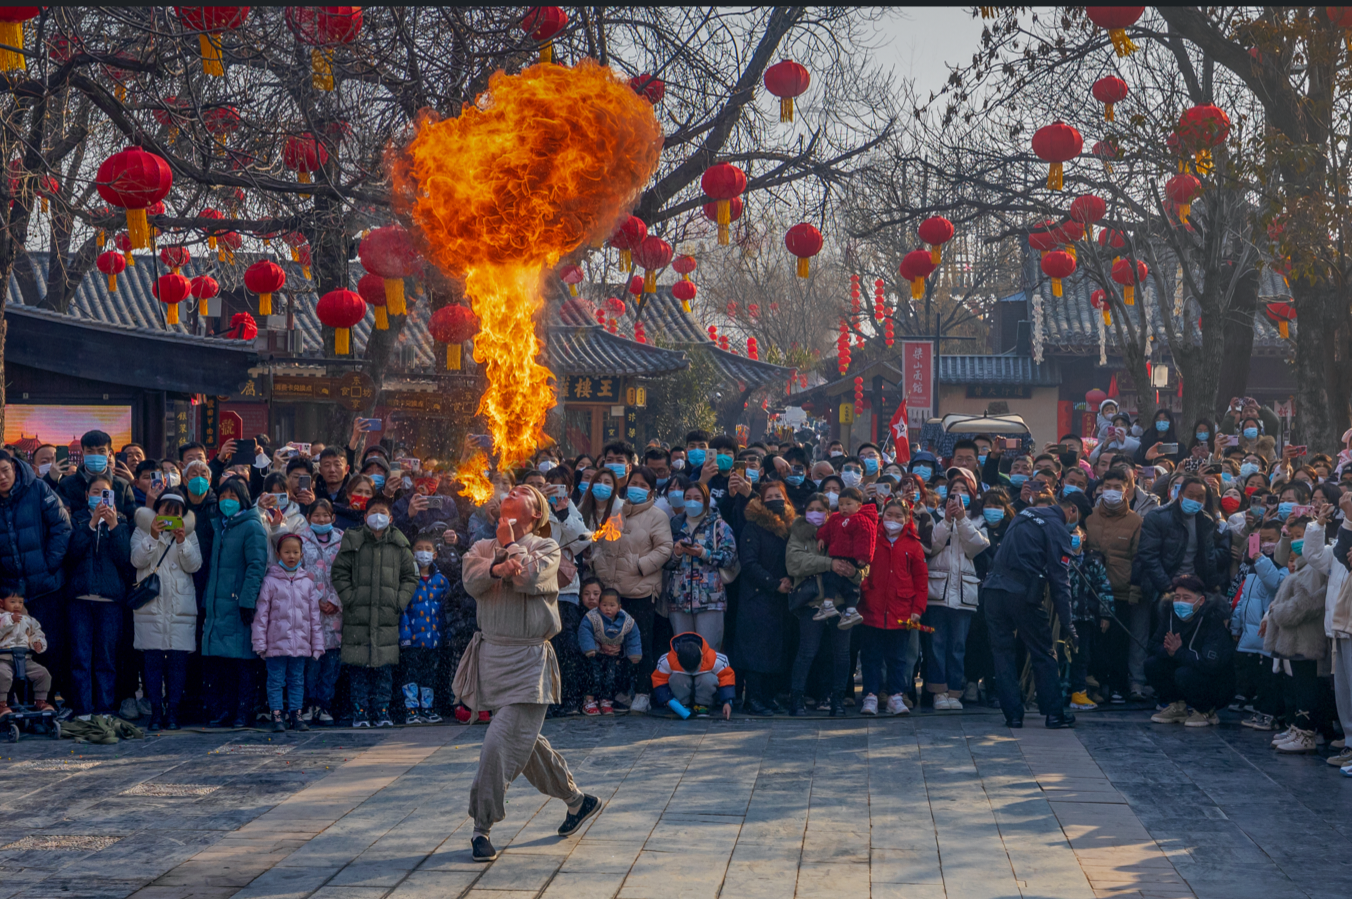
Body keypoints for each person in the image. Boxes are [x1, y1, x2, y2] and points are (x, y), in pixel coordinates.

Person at [456, 484, 600, 863]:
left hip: (529, 662)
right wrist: (495, 565)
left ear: (536, 513)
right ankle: (576, 800)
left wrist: (514, 548)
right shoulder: (482, 546)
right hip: (492, 657)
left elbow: (529, 579)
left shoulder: (548, 547)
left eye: (524, 492)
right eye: (511, 488)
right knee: (526, 744)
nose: (512, 490)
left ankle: (480, 828)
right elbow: (471, 580)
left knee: (497, 745)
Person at [982, 494, 1081, 729]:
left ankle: (1013, 716)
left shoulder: (1024, 515)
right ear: (1073, 510)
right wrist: (1068, 624)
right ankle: (1054, 714)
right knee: (1043, 651)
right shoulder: (1057, 527)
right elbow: (1060, 581)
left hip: (993, 590)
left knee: (1002, 654)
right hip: (1022, 593)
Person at [587, 466, 672, 715]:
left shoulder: (657, 516)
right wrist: (601, 569)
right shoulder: (617, 514)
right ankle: (622, 691)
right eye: (634, 482)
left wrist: (640, 565)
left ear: (651, 491)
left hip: (641, 591)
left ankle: (643, 692)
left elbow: (665, 548)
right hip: (615, 592)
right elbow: (601, 545)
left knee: (640, 643)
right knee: (614, 644)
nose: (637, 488)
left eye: (643, 485)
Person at [332, 495, 418, 728]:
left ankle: (382, 712)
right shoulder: (353, 538)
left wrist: (398, 601)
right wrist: (350, 598)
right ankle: (360, 713)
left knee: (383, 670)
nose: (377, 516)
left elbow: (411, 576)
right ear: (365, 516)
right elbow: (339, 572)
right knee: (358, 669)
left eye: (382, 512)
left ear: (390, 518)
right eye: (373, 512)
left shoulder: (399, 543)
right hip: (357, 616)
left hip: (386, 618)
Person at [0, 451, 71, 703]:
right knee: (12, 650)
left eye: (5, 470)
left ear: (14, 468)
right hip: (10, 592)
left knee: (47, 647)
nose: (1, 477)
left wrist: (48, 565)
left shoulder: (38, 489)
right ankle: (18, 706)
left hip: (46, 588)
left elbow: (62, 527)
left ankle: (46, 704)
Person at [201, 477, 269, 728]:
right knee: (224, 662)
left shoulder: (251, 526)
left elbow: (256, 565)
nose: (226, 501)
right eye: (222, 496)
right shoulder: (221, 525)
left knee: (243, 663)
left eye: (232, 496)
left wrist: (247, 600)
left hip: (239, 605)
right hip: (219, 604)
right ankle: (226, 710)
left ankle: (244, 711)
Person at [130, 493, 201, 731]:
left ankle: (173, 712)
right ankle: (156, 713)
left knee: (178, 663)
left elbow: (195, 565)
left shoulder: (189, 533)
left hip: (180, 607)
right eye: (165, 512)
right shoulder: (142, 529)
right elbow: (137, 561)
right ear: (157, 511)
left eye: (175, 513)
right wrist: (152, 536)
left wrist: (182, 542)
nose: (169, 517)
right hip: (151, 608)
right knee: (152, 663)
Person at [65, 474, 134, 720]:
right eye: (95, 491)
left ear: (112, 496)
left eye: (104, 492)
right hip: (80, 599)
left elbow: (126, 559)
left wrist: (113, 526)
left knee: (106, 657)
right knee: (80, 657)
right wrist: (91, 524)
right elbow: (71, 554)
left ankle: (105, 708)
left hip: (110, 601)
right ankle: (83, 709)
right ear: (86, 495)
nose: (99, 496)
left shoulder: (122, 522)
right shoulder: (77, 520)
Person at [785, 493, 858, 716]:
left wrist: (855, 572)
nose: (815, 513)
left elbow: (861, 563)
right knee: (807, 652)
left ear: (828, 513)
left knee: (842, 654)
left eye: (820, 509)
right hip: (812, 603)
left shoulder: (843, 528)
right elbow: (794, 563)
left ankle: (837, 700)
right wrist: (829, 563)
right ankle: (796, 699)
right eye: (811, 509)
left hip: (842, 603)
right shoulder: (798, 533)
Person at [1261, 517, 1329, 752]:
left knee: (1307, 687)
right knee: (1299, 686)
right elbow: (1281, 557)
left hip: (1306, 638)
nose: (1297, 541)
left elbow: (1306, 605)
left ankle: (1306, 733)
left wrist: (1277, 612)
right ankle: (1297, 728)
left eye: (1302, 535)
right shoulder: (1300, 565)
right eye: (1294, 536)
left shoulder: (1313, 568)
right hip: (1296, 639)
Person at [923, 468, 989, 709]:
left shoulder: (979, 519)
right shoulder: (934, 516)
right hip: (937, 590)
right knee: (936, 643)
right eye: (954, 491)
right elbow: (931, 546)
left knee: (958, 645)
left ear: (972, 494)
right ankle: (938, 691)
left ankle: (954, 691)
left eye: (963, 491)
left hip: (964, 592)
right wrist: (948, 520)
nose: (958, 495)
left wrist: (961, 519)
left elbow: (976, 547)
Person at [857, 498, 928, 717]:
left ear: (906, 519)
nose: (893, 520)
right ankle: (870, 695)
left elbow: (921, 579)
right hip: (871, 608)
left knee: (898, 657)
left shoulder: (913, 544)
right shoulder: (872, 539)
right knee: (871, 656)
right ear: (882, 515)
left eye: (899, 516)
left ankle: (896, 695)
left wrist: (918, 608)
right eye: (889, 515)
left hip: (902, 610)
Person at [252, 533, 325, 732]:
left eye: (295, 552)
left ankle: (296, 714)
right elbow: (262, 615)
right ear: (278, 554)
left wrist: (317, 645)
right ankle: (277, 714)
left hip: (300, 644)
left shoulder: (307, 583)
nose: (291, 556)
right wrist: (259, 643)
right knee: (275, 680)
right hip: (276, 643)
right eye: (286, 552)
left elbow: (314, 618)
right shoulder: (270, 581)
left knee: (297, 680)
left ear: (302, 555)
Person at [736, 481, 798, 715]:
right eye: (769, 496)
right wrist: (773, 584)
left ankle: (769, 696)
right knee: (756, 651)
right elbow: (749, 563)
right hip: (758, 596)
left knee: (776, 649)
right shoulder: (753, 527)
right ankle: (753, 698)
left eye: (779, 495)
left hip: (783, 597)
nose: (775, 500)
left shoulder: (791, 527)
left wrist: (789, 580)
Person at [1085, 466, 1146, 700]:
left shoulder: (1136, 521)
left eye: (1117, 488)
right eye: (1107, 487)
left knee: (1119, 643)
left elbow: (1139, 558)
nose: (1111, 492)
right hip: (1091, 592)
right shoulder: (1089, 517)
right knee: (1095, 643)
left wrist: (1134, 591)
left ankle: (1118, 685)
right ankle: (1097, 685)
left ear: (1127, 490)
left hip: (1120, 591)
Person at [1147, 574, 1237, 727]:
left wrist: (1179, 652)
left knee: (1185, 674)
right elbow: (1152, 645)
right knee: (1152, 665)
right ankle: (1177, 706)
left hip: (1216, 681)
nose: (1180, 602)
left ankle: (1206, 711)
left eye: (1186, 597)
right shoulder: (1170, 615)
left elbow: (1211, 663)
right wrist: (1168, 651)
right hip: (1185, 664)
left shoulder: (1212, 619)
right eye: (1177, 597)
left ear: (1200, 601)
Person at [663, 481, 737, 651]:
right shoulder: (675, 526)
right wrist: (677, 554)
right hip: (679, 600)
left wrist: (705, 554)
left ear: (705, 500)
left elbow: (731, 558)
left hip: (710, 600)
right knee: (682, 653)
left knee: (708, 653)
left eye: (697, 498)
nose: (692, 502)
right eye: (687, 498)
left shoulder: (719, 526)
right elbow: (664, 562)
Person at [1229, 518, 1286, 730]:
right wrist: (1236, 625)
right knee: (1258, 675)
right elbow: (1244, 597)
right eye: (1262, 540)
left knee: (1271, 677)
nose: (1266, 544)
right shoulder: (1254, 566)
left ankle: (1270, 713)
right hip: (1251, 633)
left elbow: (1275, 585)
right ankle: (1259, 708)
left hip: (1269, 632)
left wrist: (1260, 559)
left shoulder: (1282, 565)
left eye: (1271, 540)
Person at [399, 530, 451, 723]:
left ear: (435, 554)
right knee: (411, 672)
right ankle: (411, 708)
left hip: (434, 639)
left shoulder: (441, 581)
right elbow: (402, 608)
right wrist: (405, 634)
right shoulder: (408, 578)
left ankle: (427, 708)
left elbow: (448, 608)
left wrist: (446, 634)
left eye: (428, 549)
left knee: (430, 674)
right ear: (412, 553)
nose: (423, 553)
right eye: (419, 549)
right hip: (412, 639)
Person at [299, 500, 343, 724]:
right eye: (316, 515)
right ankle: (308, 704)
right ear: (308, 518)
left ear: (333, 518)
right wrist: (316, 600)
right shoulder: (301, 539)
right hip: (310, 614)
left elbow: (348, 573)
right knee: (311, 665)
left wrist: (335, 600)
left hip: (335, 614)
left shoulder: (342, 540)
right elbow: (297, 572)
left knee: (330, 666)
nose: (321, 519)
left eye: (326, 515)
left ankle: (325, 705)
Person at [1065, 524, 1114, 710]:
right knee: (1059, 654)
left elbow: (1104, 589)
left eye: (1075, 533)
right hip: (1061, 618)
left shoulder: (1093, 563)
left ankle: (1079, 693)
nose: (1072, 537)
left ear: (1083, 537)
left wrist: (1105, 614)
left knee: (1082, 656)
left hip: (1084, 618)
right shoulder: (1057, 558)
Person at [812, 486, 876, 628]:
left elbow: (865, 539)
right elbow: (826, 530)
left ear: (859, 506)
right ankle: (828, 604)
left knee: (851, 586)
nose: (844, 508)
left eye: (848, 504)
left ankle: (852, 611)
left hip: (852, 559)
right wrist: (822, 538)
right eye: (841, 504)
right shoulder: (835, 518)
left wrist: (863, 557)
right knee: (830, 580)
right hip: (836, 556)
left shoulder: (861, 520)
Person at [577, 587, 642, 715]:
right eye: (604, 605)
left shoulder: (627, 621)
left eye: (612, 605)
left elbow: (633, 636)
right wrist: (591, 648)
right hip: (594, 656)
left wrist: (634, 653)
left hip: (613, 655)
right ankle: (589, 701)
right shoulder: (592, 617)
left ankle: (605, 700)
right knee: (594, 676)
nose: (608, 609)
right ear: (599, 605)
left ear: (619, 607)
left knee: (610, 678)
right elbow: (584, 632)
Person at [650, 631, 735, 719]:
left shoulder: (715, 659)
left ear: (702, 655)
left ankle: (703, 705)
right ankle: (683, 705)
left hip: (705, 691)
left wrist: (727, 702)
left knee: (707, 678)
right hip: (681, 691)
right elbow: (659, 679)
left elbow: (726, 677)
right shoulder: (667, 660)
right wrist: (667, 699)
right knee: (676, 677)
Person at [58, 430, 136, 519]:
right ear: (82, 454)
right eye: (90, 451)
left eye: (101, 451)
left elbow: (131, 519)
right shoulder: (66, 484)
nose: (95, 455)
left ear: (109, 454)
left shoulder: (122, 485)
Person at [0, 590, 54, 717]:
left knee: (43, 674)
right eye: (12, 602)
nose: (17, 605)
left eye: (20, 602)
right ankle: (1, 704)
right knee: (2, 675)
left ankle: (40, 701)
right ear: (2, 603)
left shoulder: (28, 620)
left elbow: (38, 633)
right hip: (3, 658)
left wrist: (38, 643)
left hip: (24, 659)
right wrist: (9, 621)